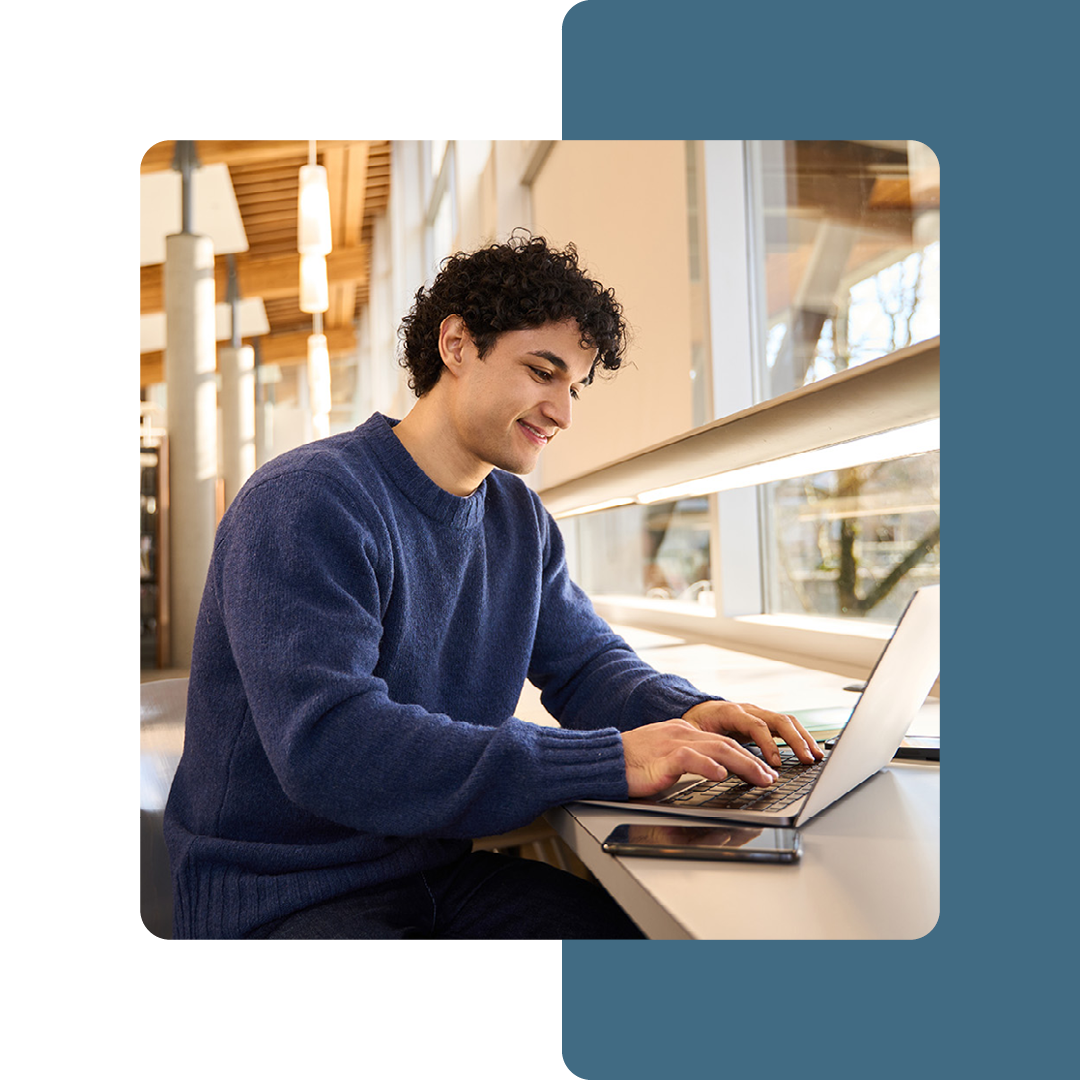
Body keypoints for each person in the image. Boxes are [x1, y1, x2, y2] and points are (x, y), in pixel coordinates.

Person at [163, 234, 822, 940]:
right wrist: (610, 759)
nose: (562, 412)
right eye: (543, 372)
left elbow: (588, 665)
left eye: (573, 386)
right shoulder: (308, 502)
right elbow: (331, 746)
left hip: (433, 874)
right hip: (286, 895)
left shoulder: (517, 519)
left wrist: (693, 716)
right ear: (456, 345)